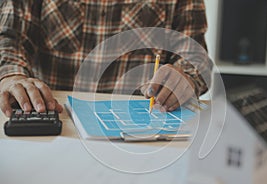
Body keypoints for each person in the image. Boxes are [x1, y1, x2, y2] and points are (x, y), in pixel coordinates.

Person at [0, 0, 212, 117]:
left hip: (145, 133)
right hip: (54, 120)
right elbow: (9, 38)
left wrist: (187, 78)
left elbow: (196, 58)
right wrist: (13, 76)